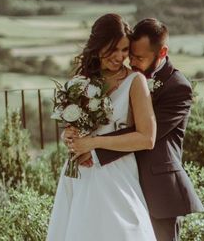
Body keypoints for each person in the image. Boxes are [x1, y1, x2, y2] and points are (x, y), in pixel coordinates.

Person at [68, 18, 204, 241]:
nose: (130, 61)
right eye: (130, 54)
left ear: (162, 52)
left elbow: (147, 133)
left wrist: (92, 147)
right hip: (121, 180)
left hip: (157, 189)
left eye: (139, 58)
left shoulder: (177, 87)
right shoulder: (121, 79)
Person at [47, 13, 157, 241]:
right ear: (98, 47)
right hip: (81, 176)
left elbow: (147, 138)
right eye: (112, 49)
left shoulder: (135, 82)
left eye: (124, 50)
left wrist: (93, 144)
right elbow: (73, 128)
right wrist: (69, 136)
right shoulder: (82, 81)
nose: (119, 57)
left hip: (116, 175)